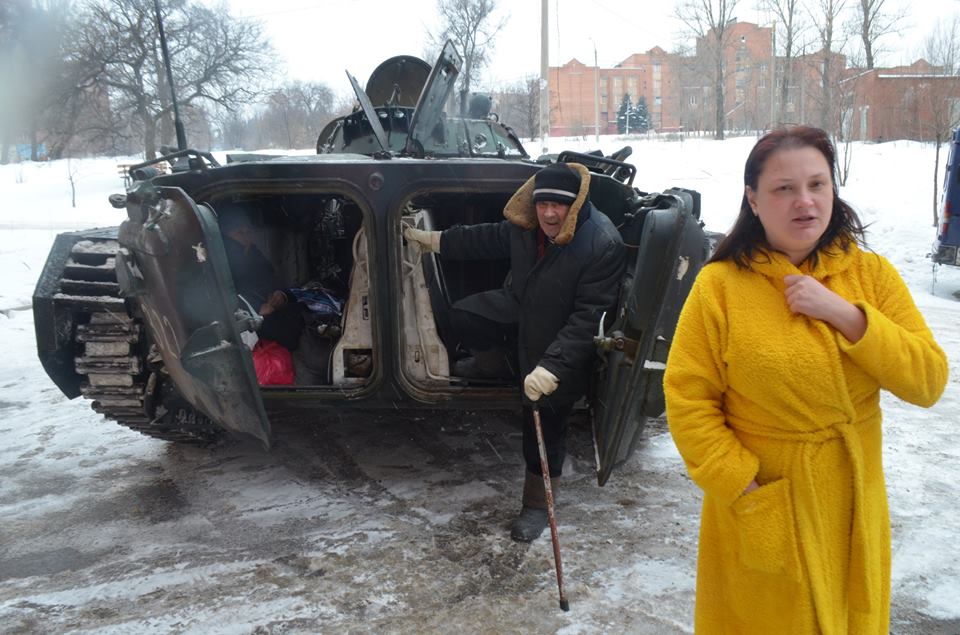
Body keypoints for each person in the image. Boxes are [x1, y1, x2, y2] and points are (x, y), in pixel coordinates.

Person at [663, 126, 948, 633]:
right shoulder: (720, 287)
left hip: (850, 502)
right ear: (753, 199)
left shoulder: (871, 276)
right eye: (784, 189)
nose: (805, 202)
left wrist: (850, 318)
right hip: (765, 500)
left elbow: (927, 382)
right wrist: (740, 481)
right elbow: (688, 396)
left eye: (818, 185)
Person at [403, 162, 627, 542]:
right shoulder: (527, 224)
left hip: (560, 339)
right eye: (544, 204)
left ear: (574, 206)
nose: (550, 213)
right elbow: (486, 238)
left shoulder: (601, 243)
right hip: (522, 307)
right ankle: (502, 364)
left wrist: (551, 368)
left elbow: (588, 319)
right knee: (463, 317)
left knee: (542, 423)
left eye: (559, 205)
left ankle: (537, 505)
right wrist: (435, 240)